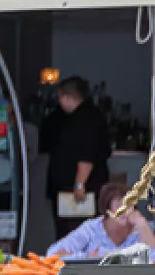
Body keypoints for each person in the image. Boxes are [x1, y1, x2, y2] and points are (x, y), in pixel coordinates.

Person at [38, 76, 113, 238]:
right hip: (75, 187)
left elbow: (87, 154)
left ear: (66, 96)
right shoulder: (85, 116)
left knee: (76, 233)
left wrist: (79, 183)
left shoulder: (84, 119)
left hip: (80, 190)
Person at [45, 180, 155, 261]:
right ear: (107, 209)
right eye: (119, 205)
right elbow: (52, 254)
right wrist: (86, 257)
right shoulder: (92, 228)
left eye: (129, 205)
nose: (124, 210)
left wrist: (141, 223)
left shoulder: (140, 229)